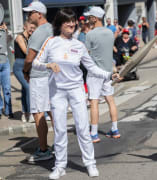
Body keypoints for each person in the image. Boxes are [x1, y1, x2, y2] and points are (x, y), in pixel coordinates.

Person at [32, 8, 120, 179]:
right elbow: (36, 63)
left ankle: (90, 163)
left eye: (73, 22)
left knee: (82, 128)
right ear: (60, 24)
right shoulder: (50, 42)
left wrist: (109, 74)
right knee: (59, 129)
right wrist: (48, 66)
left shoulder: (79, 45)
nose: (72, 24)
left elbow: (92, 67)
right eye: (68, 21)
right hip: (57, 92)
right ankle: (59, 166)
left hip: (76, 90)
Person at [22, 1, 54, 162]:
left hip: (39, 77)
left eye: (31, 12)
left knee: (38, 113)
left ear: (39, 14)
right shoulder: (51, 28)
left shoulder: (39, 32)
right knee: (52, 111)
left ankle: (43, 150)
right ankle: (61, 145)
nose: (28, 15)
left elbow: (30, 57)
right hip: (49, 75)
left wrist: (25, 70)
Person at [84, 6, 121, 143]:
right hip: (108, 72)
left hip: (95, 73)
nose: (88, 19)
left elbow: (86, 54)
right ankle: (115, 129)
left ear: (94, 18)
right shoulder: (110, 33)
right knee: (110, 100)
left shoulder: (90, 34)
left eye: (89, 17)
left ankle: (94, 133)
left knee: (94, 102)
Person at [13, 20, 36, 122]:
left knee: (24, 89)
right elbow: (26, 51)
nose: (32, 29)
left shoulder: (31, 38)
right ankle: (30, 113)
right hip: (18, 66)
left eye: (34, 28)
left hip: (28, 65)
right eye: (30, 27)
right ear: (25, 27)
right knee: (28, 87)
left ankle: (24, 113)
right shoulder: (19, 37)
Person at [0, 22, 13, 119]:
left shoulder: (4, 32)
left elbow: (11, 38)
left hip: (5, 62)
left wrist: (6, 30)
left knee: (7, 88)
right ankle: (0, 109)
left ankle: (9, 110)